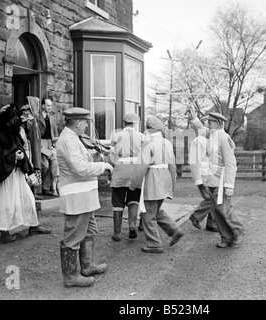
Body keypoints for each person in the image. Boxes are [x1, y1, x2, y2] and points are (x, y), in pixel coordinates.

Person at [56, 107, 114, 288]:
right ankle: (71, 276)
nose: (87, 126)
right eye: (85, 123)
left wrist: (96, 155)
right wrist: (104, 166)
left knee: (89, 231)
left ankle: (87, 266)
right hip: (76, 195)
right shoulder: (68, 140)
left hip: (84, 194)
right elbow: (80, 169)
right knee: (73, 235)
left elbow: (83, 161)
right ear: (77, 122)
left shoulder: (74, 139)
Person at [0, 104, 52, 244]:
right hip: (4, 176)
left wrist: (31, 175)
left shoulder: (14, 134)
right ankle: (4, 232)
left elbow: (25, 157)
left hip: (18, 174)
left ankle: (33, 226)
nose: (15, 121)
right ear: (6, 119)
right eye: (12, 118)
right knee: (6, 202)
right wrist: (14, 158)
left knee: (28, 198)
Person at [187, 106, 244, 248]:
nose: (208, 124)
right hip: (212, 180)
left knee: (224, 209)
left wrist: (229, 185)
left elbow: (231, 164)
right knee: (216, 211)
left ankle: (238, 231)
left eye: (211, 122)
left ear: (218, 123)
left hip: (222, 180)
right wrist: (193, 118)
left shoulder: (224, 138)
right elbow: (201, 128)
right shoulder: (212, 134)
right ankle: (226, 237)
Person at [137, 116, 185, 254]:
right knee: (156, 211)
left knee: (147, 214)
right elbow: (173, 166)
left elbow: (141, 167)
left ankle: (154, 244)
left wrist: (133, 183)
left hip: (152, 180)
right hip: (165, 180)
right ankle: (174, 230)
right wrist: (172, 185)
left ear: (149, 129)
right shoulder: (167, 143)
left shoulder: (148, 143)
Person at [108, 113, 145, 241]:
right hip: (135, 170)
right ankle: (132, 227)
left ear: (124, 123)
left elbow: (111, 155)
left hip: (120, 169)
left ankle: (117, 233)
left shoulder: (116, 135)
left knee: (118, 201)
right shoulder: (141, 136)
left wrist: (111, 170)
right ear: (135, 123)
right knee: (133, 200)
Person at [188, 114, 218, 232]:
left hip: (211, 175)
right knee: (211, 199)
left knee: (214, 198)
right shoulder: (198, 141)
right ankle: (196, 216)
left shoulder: (210, 139)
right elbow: (194, 161)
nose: (211, 126)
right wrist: (198, 180)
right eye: (209, 123)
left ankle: (211, 223)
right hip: (203, 175)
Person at [37, 98, 59, 197]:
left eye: (50, 105)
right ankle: (37, 186)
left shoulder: (53, 118)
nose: (49, 107)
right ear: (43, 106)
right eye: (47, 105)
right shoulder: (38, 117)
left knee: (53, 165)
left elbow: (55, 132)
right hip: (41, 143)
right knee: (44, 165)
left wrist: (54, 144)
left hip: (50, 143)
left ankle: (46, 188)